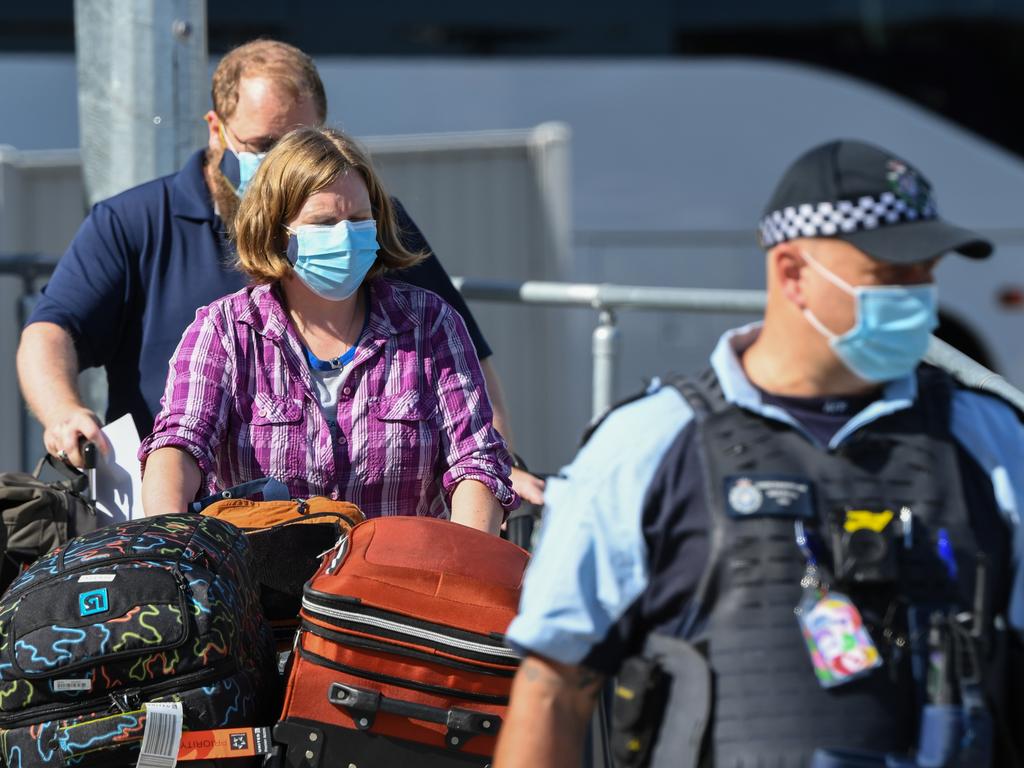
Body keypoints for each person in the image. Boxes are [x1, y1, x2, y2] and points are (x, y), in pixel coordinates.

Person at [495, 140, 1024, 767]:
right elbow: (553, 687)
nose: (919, 297)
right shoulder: (648, 443)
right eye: (890, 276)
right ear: (793, 273)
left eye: (927, 273)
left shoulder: (987, 436)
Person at [15, 39, 544, 504]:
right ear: (217, 128)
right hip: (198, 518)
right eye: (266, 145)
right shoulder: (139, 227)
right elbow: (53, 330)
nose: (286, 161)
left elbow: (463, 371)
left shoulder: (368, 224)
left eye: (303, 140)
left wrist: (496, 471)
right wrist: (65, 410)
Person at [140, 126, 515, 535]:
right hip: (262, 587)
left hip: (397, 585)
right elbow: (179, 443)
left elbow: (475, 461)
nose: (345, 236)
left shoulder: (431, 324)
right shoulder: (226, 330)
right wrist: (169, 544)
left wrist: (463, 564)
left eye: (357, 219)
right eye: (323, 222)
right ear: (277, 232)